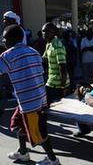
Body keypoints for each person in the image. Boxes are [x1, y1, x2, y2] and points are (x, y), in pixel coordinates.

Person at [0, 25, 60, 165]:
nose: (3, 41)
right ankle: (23, 153)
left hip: (29, 103)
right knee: (18, 125)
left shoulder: (7, 56)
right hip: (38, 98)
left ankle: (53, 160)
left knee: (38, 134)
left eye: (5, 38)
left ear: (13, 39)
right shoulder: (33, 52)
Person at [42, 22, 70, 106]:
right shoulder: (49, 44)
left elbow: (63, 67)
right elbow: (44, 59)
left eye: (46, 31)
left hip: (58, 84)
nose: (43, 33)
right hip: (51, 81)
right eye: (43, 31)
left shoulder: (57, 46)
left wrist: (63, 87)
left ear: (53, 32)